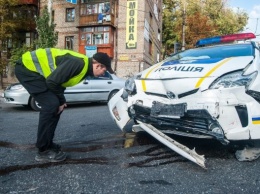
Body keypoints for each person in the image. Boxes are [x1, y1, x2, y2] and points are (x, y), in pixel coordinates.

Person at [15, 48, 113, 162]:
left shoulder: (84, 69)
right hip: (27, 68)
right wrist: (61, 101)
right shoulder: (79, 64)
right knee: (51, 105)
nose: (103, 73)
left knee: (55, 106)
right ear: (98, 66)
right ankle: (43, 150)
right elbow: (52, 81)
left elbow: (60, 82)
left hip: (35, 72)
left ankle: (47, 143)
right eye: (104, 70)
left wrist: (61, 102)